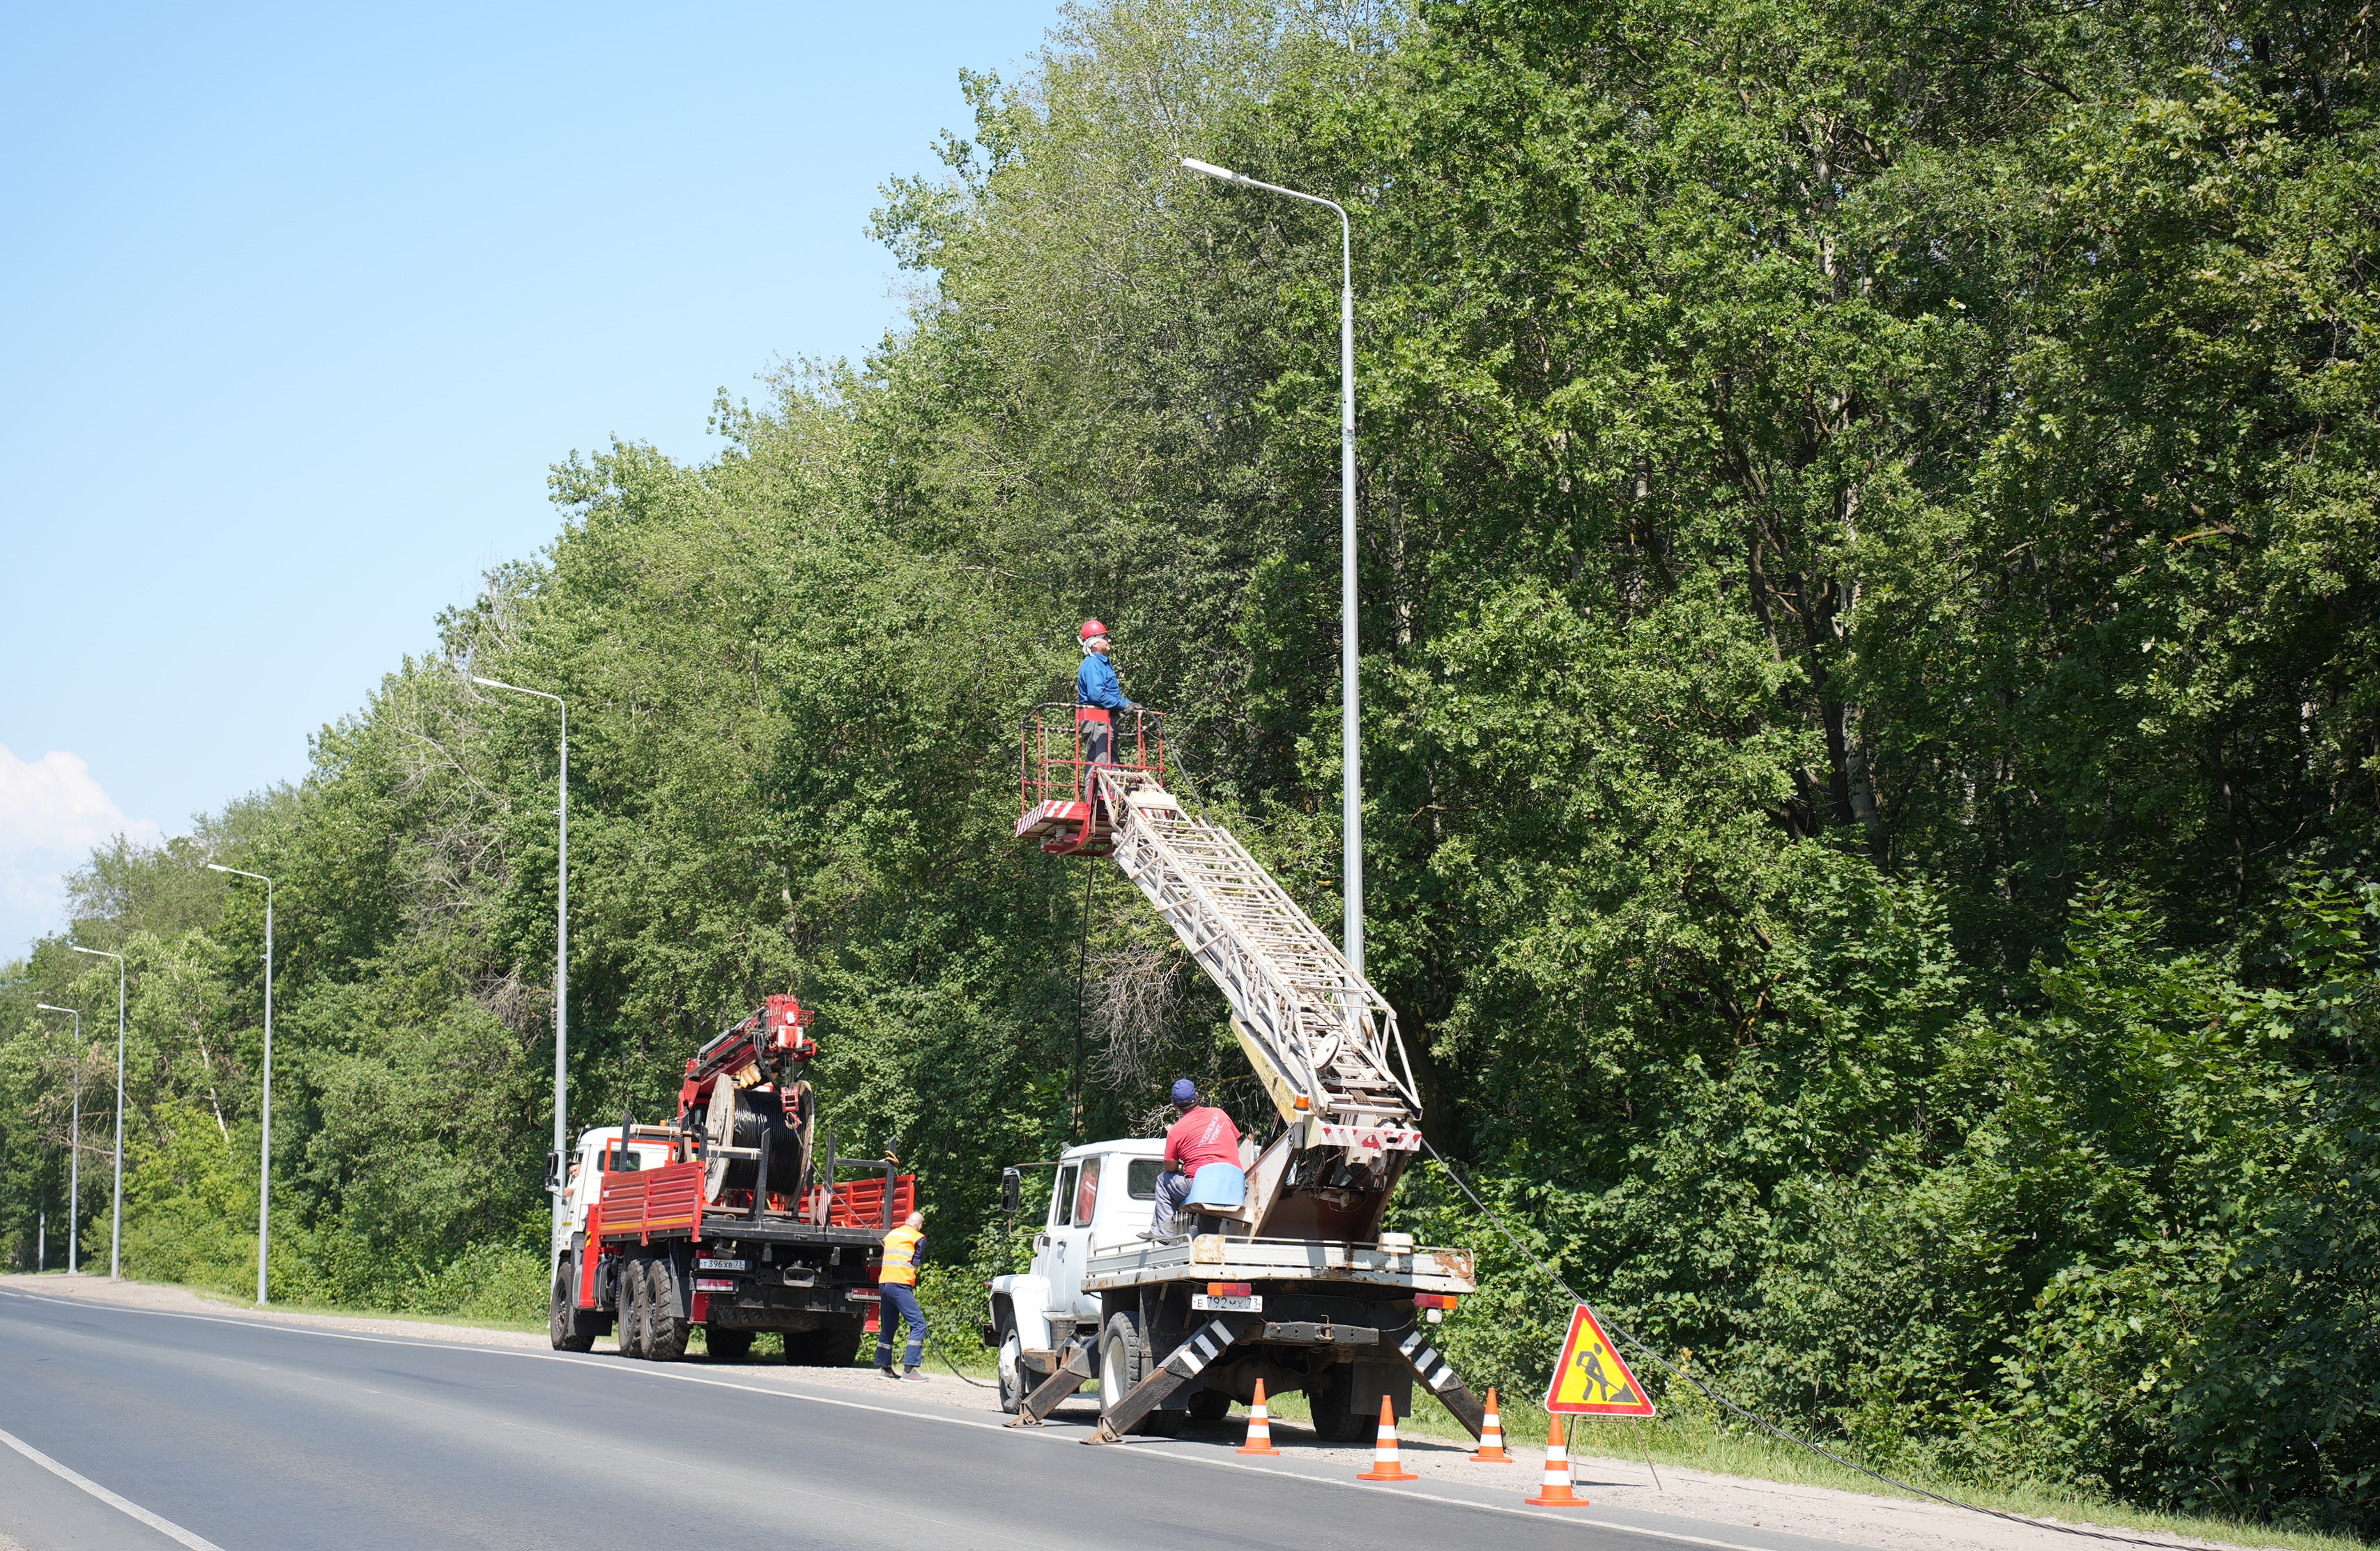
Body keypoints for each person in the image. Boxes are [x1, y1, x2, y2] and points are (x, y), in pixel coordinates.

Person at [1146, 1080, 1243, 1240]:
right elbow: (1236, 1139)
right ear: (1197, 1096)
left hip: (1202, 1185)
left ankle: (1162, 1233)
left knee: (1163, 1181)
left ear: (1175, 1105)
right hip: (1233, 1183)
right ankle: (1207, 1245)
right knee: (1209, 1210)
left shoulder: (1176, 1131)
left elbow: (1170, 1168)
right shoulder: (1220, 1113)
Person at [875, 1209, 929, 1380]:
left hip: (884, 1283)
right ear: (919, 1226)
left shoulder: (892, 1234)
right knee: (919, 1324)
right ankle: (909, 1369)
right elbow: (915, 1263)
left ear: (907, 1221)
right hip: (900, 1284)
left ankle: (885, 1368)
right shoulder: (918, 1237)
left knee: (888, 1325)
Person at [1076, 618, 1135, 772]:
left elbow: (1110, 694)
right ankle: (1097, 796)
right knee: (1099, 765)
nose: (1109, 640)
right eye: (1105, 638)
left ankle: (1113, 796)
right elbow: (1097, 695)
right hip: (1097, 720)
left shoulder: (1102, 664)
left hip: (1106, 720)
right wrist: (1123, 706)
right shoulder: (1093, 664)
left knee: (1113, 765)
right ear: (1095, 644)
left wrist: (1130, 704)